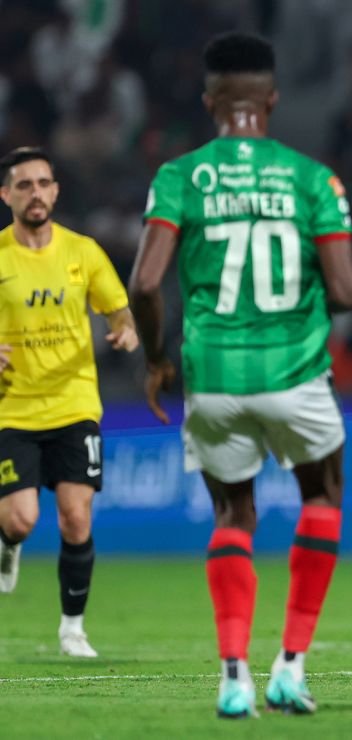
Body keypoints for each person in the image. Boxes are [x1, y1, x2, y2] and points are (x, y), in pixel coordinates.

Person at [129, 33, 352, 718]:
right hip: (296, 370)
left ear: (210, 102)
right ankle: (289, 666)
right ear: (271, 100)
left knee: (234, 512)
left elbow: (144, 282)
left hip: (214, 377)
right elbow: (346, 293)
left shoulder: (180, 176)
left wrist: (156, 358)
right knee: (323, 497)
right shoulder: (312, 178)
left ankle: (233, 676)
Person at [0, 146, 138, 657]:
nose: (35, 193)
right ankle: (7, 542)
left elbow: (119, 311)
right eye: (24, 185)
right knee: (20, 519)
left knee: (76, 517)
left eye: (43, 183)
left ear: (55, 191)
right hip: (11, 409)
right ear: (6, 195)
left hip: (74, 404)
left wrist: (124, 332)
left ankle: (72, 629)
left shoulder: (83, 251)